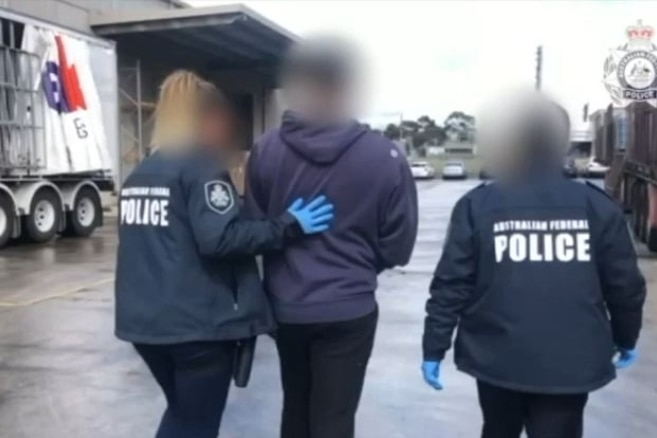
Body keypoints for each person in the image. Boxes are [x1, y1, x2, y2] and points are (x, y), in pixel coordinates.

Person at [114, 70, 336, 438]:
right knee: (196, 425)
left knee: (182, 416)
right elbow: (220, 238)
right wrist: (288, 224)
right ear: (204, 118)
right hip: (196, 330)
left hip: (146, 327)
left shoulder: (141, 173)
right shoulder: (201, 168)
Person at [421, 91, 646, 438]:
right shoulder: (596, 207)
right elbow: (625, 286)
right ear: (563, 144)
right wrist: (625, 336)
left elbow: (452, 283)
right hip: (569, 363)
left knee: (498, 428)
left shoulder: (479, 205)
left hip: (496, 358)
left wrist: (434, 346)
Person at [244, 35, 419, 438]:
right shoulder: (385, 156)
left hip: (287, 307)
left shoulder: (266, 150)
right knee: (335, 418)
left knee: (296, 407)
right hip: (349, 307)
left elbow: (254, 229)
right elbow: (399, 246)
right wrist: (361, 261)